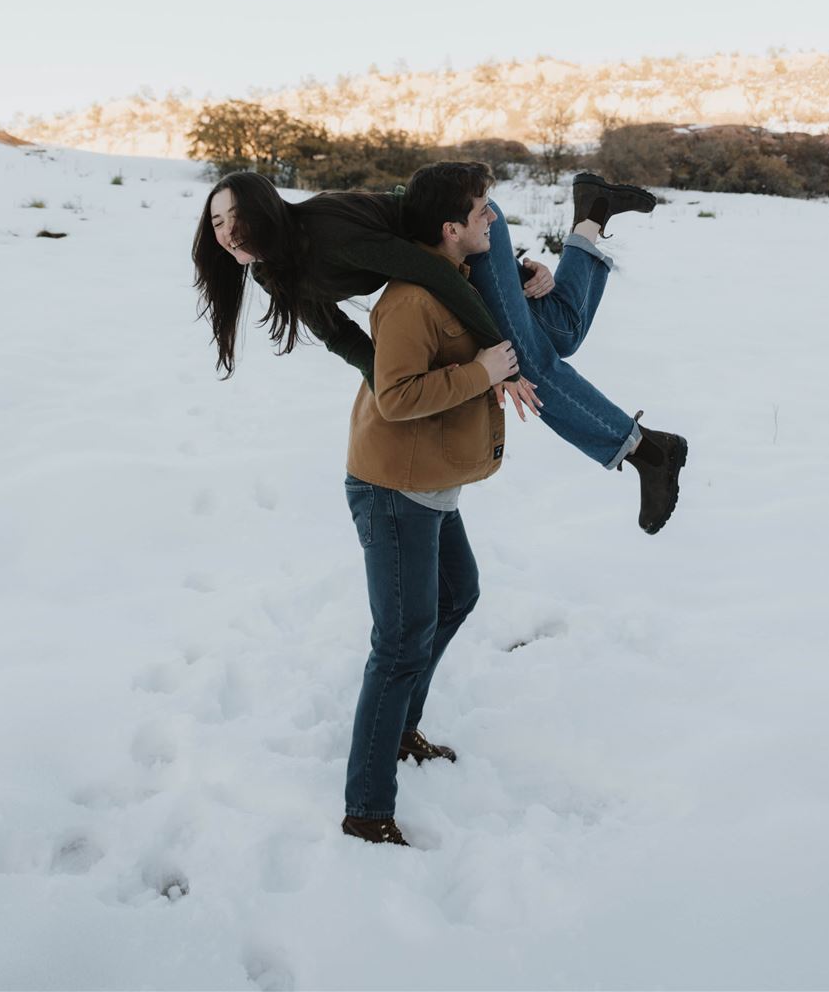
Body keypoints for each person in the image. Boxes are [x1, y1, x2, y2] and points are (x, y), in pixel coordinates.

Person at [192, 163, 687, 533]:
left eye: (236, 216)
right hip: (445, 239)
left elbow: (429, 268)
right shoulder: (272, 267)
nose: (227, 231)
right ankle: (592, 213)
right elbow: (337, 333)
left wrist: (501, 354)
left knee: (529, 362)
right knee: (560, 335)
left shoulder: (326, 239)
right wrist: (385, 378)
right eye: (216, 222)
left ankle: (649, 452)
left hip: (465, 226)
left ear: (265, 209)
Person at [338, 163, 515, 846]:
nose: (492, 221)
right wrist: (482, 373)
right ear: (450, 229)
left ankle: (399, 725)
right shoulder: (411, 299)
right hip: (394, 489)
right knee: (400, 642)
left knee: (455, 596)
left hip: (430, 481)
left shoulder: (457, 279)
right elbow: (397, 396)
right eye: (483, 212)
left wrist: (532, 277)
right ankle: (366, 810)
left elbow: (494, 315)